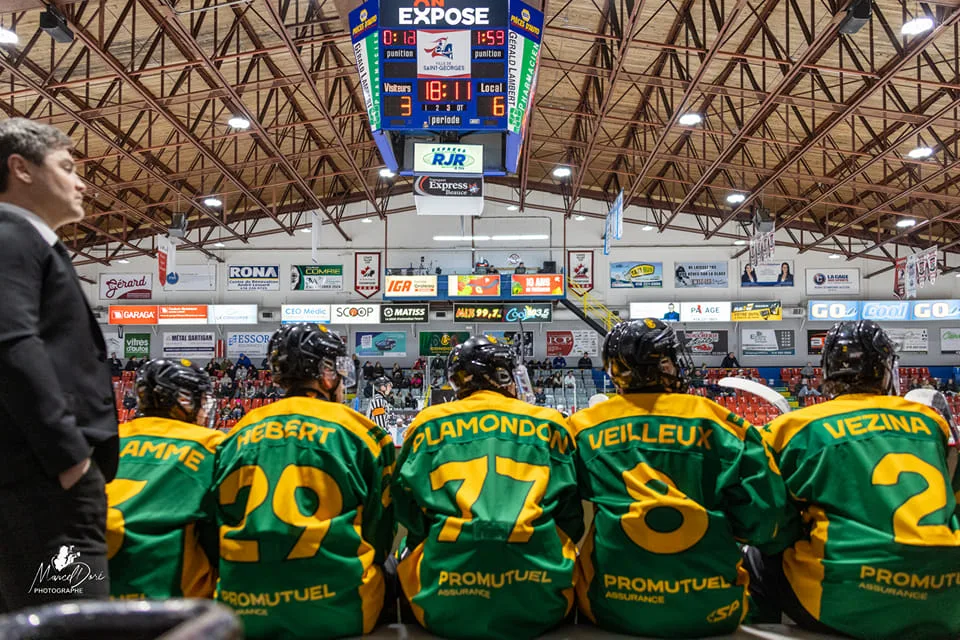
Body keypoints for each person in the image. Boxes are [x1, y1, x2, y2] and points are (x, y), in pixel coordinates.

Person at [568, 319, 794, 637]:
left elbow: (565, 517)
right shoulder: (724, 423)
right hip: (714, 609)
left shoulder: (580, 427)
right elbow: (766, 521)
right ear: (667, 364)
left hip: (611, 607)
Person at [748, 320, 960, 638]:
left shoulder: (791, 427)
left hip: (846, 599)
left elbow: (764, 515)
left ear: (828, 374)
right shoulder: (930, 420)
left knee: (757, 553)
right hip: (945, 594)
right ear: (887, 370)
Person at [0, 118, 119, 611]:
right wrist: (70, 458)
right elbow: (10, 344)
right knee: (75, 624)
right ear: (20, 169)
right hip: (47, 487)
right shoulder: (13, 238)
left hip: (39, 481)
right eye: (67, 167)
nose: (81, 181)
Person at [393, 336, 583, 638]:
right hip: (542, 600)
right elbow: (571, 517)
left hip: (441, 603)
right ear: (504, 376)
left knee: (401, 556)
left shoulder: (426, 423)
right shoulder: (551, 422)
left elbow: (408, 512)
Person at [213, 324, 395, 638]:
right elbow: (381, 533)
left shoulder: (237, 433)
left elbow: (215, 520)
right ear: (326, 373)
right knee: (392, 567)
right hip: (339, 608)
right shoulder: (363, 432)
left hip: (241, 608)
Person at [106, 359, 223, 599]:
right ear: (184, 401)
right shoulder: (211, 443)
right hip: (169, 599)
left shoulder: (111, 438)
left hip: (92, 585)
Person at [368, 376, 398, 443]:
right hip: (377, 438)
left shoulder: (380, 400)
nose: (390, 388)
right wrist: (387, 436)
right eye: (388, 385)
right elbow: (380, 425)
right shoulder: (378, 401)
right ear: (382, 387)